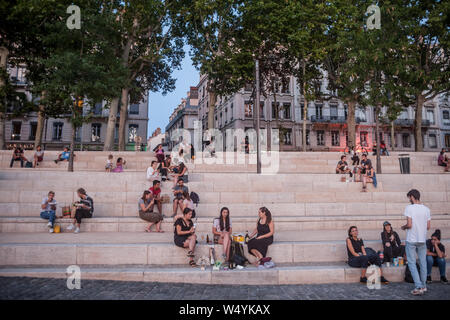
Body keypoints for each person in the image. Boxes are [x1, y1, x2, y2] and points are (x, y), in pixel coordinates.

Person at [401, 189, 431, 295]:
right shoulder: (426, 209)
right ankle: (423, 286)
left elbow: (409, 225)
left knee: (412, 263)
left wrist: (403, 227)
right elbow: (428, 227)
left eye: (409, 197)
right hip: (422, 239)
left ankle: (418, 286)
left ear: (412, 197)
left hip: (412, 239)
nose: (409, 199)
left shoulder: (409, 208)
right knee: (423, 263)